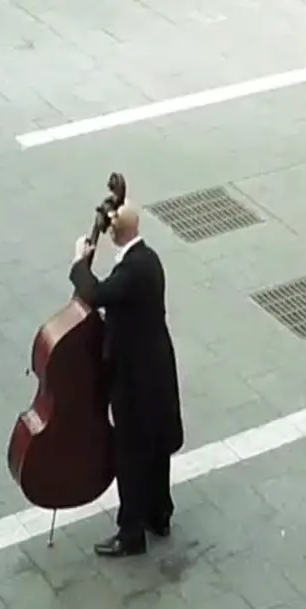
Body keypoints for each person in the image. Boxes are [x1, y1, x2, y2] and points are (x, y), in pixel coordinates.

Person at [70, 204, 184, 557]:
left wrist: (79, 261)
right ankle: (159, 513)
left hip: (135, 377)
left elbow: (95, 293)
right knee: (156, 446)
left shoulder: (133, 269)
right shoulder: (147, 258)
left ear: (115, 232)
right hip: (156, 368)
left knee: (131, 453)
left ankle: (131, 532)